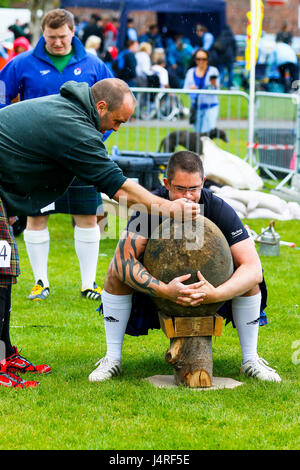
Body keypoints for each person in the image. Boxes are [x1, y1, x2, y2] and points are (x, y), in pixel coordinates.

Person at [0, 78, 200, 390]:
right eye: (117, 120)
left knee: (5, 271)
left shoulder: (74, 113)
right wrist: (167, 207)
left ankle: (5, 352)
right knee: (0, 273)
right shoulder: (73, 125)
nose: (118, 128)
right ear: (101, 107)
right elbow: (118, 187)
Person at [89, 151, 281, 384]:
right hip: (157, 293)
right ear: (166, 184)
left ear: (203, 183)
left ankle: (250, 360)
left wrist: (216, 294)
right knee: (115, 273)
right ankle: (112, 359)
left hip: (212, 294)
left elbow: (253, 267)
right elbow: (122, 261)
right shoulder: (150, 207)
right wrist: (164, 290)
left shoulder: (217, 207)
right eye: (180, 189)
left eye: (194, 189)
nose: (188, 197)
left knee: (250, 282)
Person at [0, 9, 114, 302]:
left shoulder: (94, 65)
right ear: (43, 35)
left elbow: (113, 106)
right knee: (37, 216)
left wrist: (94, 142)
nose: (58, 43)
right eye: (51, 37)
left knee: (88, 215)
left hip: (80, 156)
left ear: (73, 32)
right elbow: (2, 97)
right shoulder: (21, 63)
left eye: (63, 37)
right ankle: (40, 282)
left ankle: (89, 283)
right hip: (36, 159)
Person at [184, 48, 220, 134]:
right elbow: (184, 89)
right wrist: (190, 89)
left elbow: (218, 90)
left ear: (207, 60)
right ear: (195, 60)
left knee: (208, 134)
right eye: (198, 59)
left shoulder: (213, 71)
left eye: (204, 59)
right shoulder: (190, 72)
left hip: (211, 106)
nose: (201, 61)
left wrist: (214, 84)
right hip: (197, 107)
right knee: (198, 135)